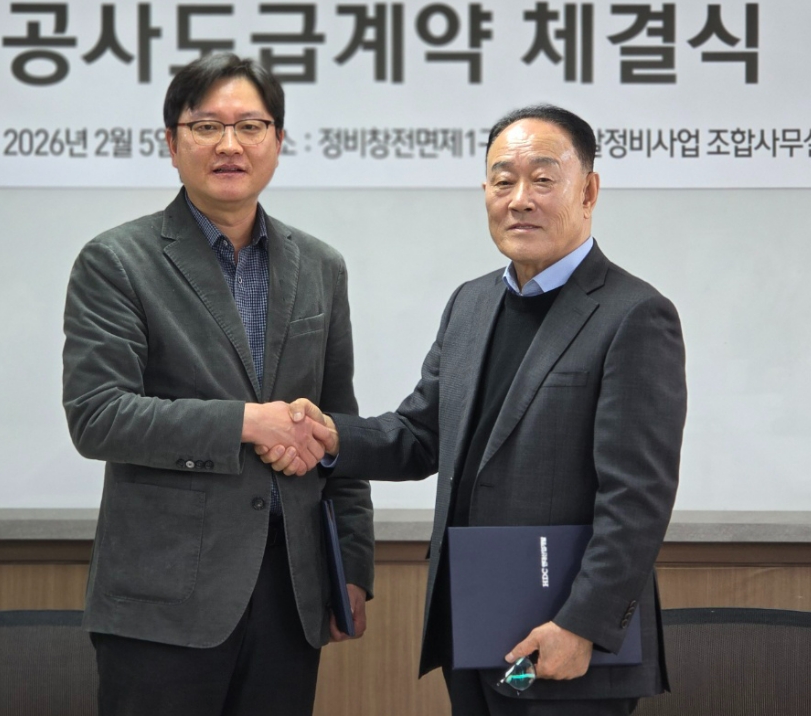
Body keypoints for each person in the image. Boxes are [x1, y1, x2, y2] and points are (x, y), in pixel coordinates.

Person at [262, 104, 687, 715]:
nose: (520, 199)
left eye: (543, 180)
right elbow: (420, 435)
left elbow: (637, 497)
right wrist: (333, 436)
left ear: (589, 191)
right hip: (474, 623)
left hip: (567, 640)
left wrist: (583, 624)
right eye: (502, 180)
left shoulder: (634, 315)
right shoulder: (471, 303)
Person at [62, 53, 373, 716]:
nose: (230, 145)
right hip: (164, 600)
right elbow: (98, 415)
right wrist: (249, 423)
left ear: (278, 141)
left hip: (291, 593)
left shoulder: (321, 267)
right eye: (206, 127)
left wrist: (351, 564)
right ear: (172, 143)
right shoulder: (117, 261)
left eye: (250, 126)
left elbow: (338, 425)